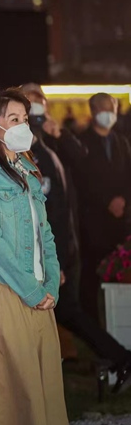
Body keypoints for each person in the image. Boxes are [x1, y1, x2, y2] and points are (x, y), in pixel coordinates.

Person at [0, 87, 70, 425]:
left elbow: (46, 236)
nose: (23, 125)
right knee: (9, 399)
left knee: (43, 391)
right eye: (14, 119)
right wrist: (31, 291)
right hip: (6, 293)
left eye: (24, 118)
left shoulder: (29, 172)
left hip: (39, 296)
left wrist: (50, 287)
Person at [25, 89, 131, 393]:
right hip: (51, 243)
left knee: (65, 310)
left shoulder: (51, 143)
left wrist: (59, 133)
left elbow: (81, 164)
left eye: (38, 107)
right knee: (66, 310)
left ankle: (118, 357)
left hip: (59, 243)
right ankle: (116, 357)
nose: (34, 114)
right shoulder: (28, 147)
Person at [49, 93, 131, 321]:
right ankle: (92, 322)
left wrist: (123, 200)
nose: (109, 114)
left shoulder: (121, 142)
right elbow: (82, 179)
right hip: (92, 221)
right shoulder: (81, 142)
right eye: (103, 108)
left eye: (112, 108)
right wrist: (107, 201)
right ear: (93, 111)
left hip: (120, 221)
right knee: (90, 277)